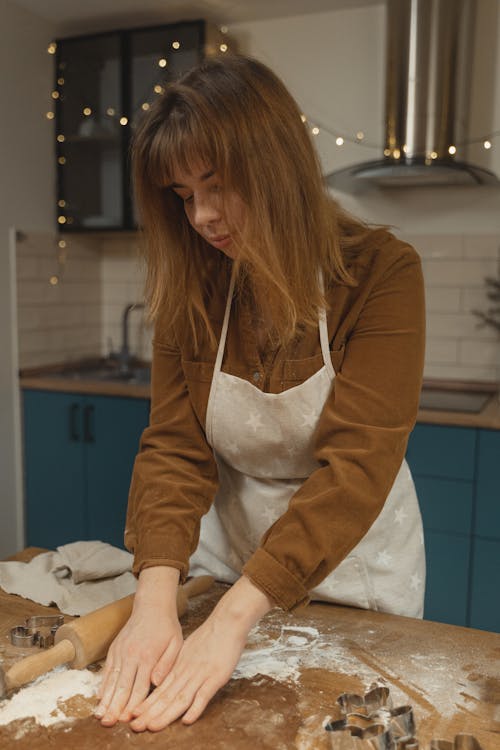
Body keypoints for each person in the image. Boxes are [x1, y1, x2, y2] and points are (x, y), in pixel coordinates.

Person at [94, 54, 426, 732]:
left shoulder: (381, 273)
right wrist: (155, 601)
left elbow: (356, 468)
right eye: (183, 196)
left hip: (353, 563)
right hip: (229, 559)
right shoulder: (196, 287)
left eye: (217, 184)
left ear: (275, 164)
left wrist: (234, 622)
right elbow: (174, 450)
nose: (203, 217)